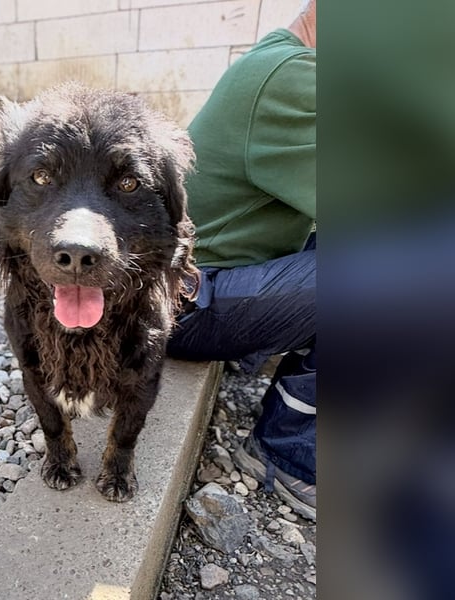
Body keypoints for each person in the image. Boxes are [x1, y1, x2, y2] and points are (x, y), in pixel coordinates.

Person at [168, 0, 317, 520]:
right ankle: (288, 454)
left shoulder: (279, 60)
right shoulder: (291, 77)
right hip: (183, 303)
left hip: (198, 282)